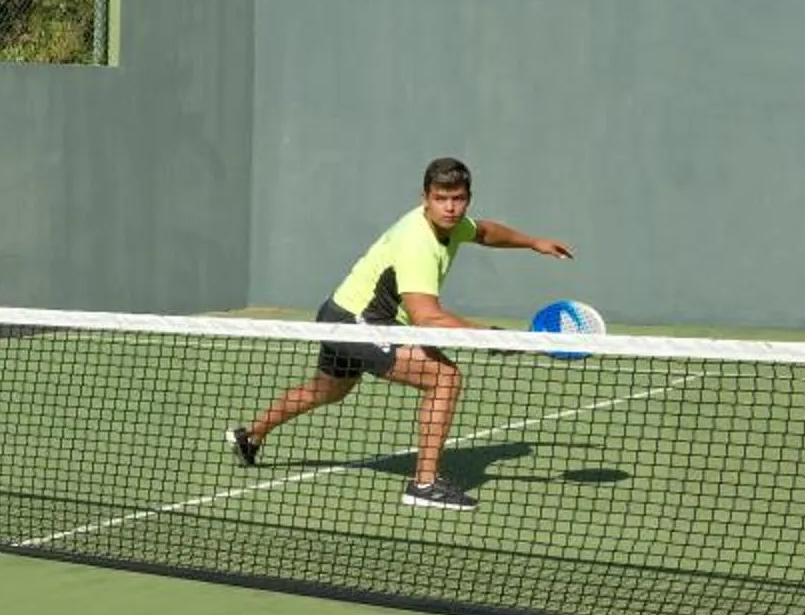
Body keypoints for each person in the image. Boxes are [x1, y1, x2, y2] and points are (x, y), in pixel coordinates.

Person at [225, 158, 573, 511]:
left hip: (339, 311)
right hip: (359, 321)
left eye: (458, 198)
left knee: (327, 389)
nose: (450, 207)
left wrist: (533, 242)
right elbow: (428, 318)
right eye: (441, 198)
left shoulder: (452, 224)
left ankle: (249, 435)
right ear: (425, 197)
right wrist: (494, 337)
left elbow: (483, 231)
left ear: (468, 198)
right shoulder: (416, 244)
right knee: (445, 377)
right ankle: (424, 484)